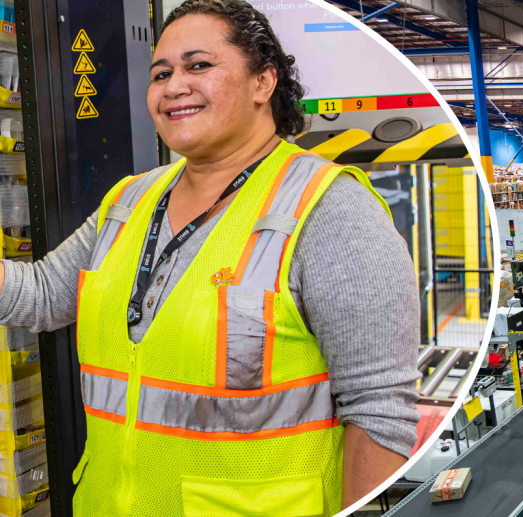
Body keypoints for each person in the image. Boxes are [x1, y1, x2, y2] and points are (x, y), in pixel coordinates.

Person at [0, 1, 420, 514]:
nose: (174, 86)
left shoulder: (328, 210)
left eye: (198, 66)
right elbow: (42, 295)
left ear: (263, 82)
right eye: (161, 73)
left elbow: (377, 412)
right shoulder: (128, 202)